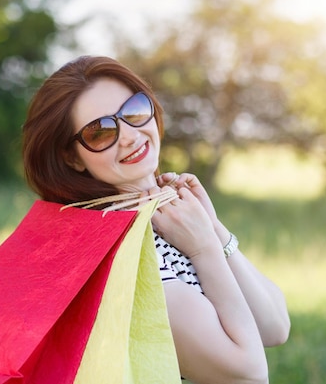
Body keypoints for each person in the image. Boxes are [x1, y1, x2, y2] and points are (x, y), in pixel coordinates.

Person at [22, 55, 290, 383]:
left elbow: (275, 327)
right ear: (71, 158)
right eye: (100, 131)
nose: (130, 136)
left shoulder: (176, 220)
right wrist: (204, 248)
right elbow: (248, 375)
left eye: (133, 110)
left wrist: (212, 227)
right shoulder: (124, 255)